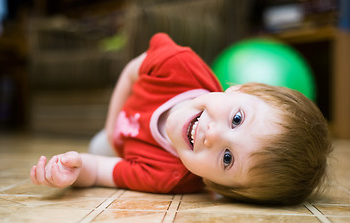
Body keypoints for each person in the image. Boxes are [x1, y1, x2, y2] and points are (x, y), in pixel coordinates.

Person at [30, 33, 331, 205]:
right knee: (102, 140)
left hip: (123, 150)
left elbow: (98, 171)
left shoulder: (169, 177)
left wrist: (72, 172)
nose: (213, 134)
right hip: (120, 117)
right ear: (240, 88)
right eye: (237, 118)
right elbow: (133, 71)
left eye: (227, 158)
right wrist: (111, 128)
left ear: (214, 186)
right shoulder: (180, 67)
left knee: (95, 150)